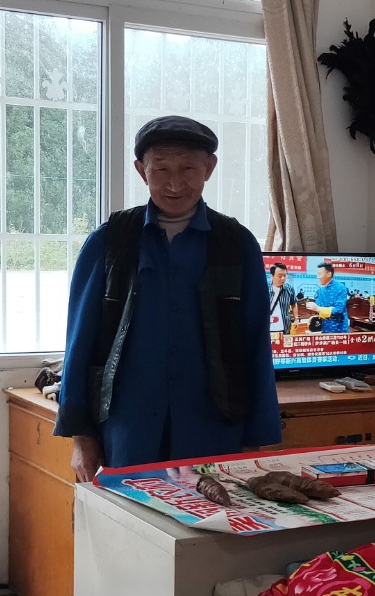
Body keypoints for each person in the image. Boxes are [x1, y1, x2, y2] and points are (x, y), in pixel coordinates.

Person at [55, 115, 280, 481]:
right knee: (128, 515)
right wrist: (81, 437)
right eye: (161, 169)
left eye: (188, 168)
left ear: (209, 168)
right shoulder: (110, 242)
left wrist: (255, 438)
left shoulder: (237, 245)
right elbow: (80, 343)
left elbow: (256, 345)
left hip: (215, 429)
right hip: (127, 428)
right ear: (141, 171)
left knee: (211, 514)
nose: (175, 183)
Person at [312, 262, 350, 333]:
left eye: (320, 274)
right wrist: (314, 317)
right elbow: (319, 308)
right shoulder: (321, 290)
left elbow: (339, 309)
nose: (318, 277)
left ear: (329, 274)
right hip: (324, 329)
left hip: (339, 330)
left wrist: (318, 309)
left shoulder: (340, 288)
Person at [267, 262, 294, 341]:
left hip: (284, 327)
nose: (283, 278)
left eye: (284, 276)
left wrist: (296, 319)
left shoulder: (289, 288)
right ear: (272, 276)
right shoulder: (265, 288)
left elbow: (294, 303)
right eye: (280, 276)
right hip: (268, 328)